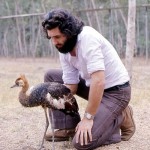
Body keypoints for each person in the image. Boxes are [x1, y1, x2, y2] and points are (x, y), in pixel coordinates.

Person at [42, 8, 135, 150]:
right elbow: (71, 86)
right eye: (51, 38)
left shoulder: (87, 38)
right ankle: (69, 128)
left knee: (81, 143)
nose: (54, 42)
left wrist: (88, 118)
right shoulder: (64, 48)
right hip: (94, 87)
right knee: (51, 77)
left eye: (58, 37)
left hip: (116, 92)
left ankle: (120, 116)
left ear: (69, 32)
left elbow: (99, 81)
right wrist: (53, 98)